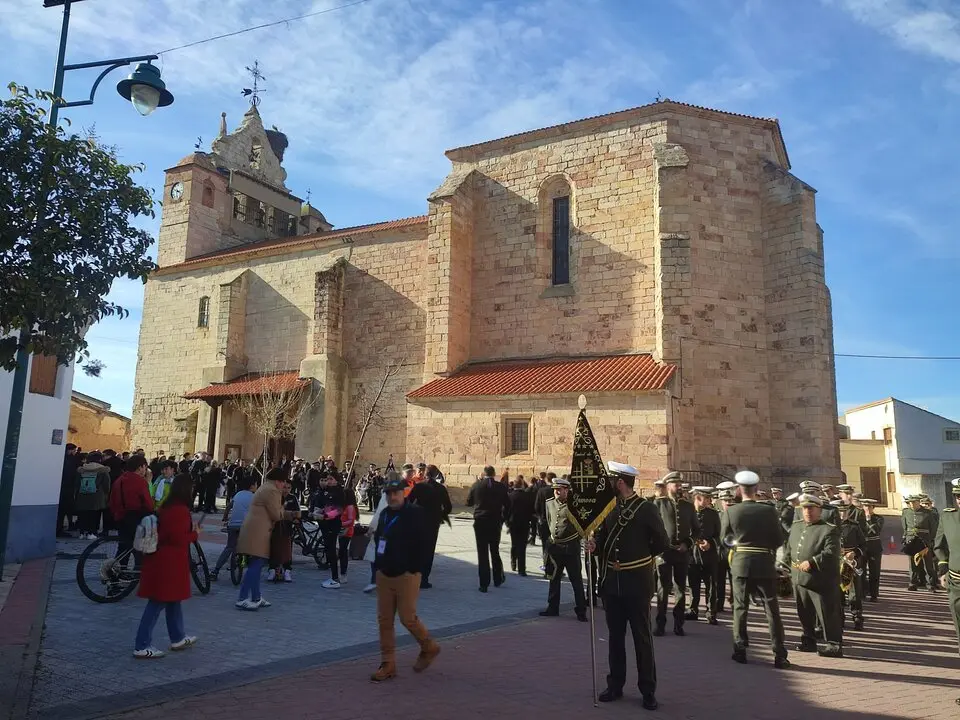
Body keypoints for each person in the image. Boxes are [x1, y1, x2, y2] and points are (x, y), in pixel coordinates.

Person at [588, 461, 668, 709]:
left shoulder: (646, 509)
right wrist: (594, 546)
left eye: (612, 480)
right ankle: (615, 684)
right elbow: (602, 539)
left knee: (642, 638)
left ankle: (648, 690)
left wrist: (639, 559)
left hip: (637, 584)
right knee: (615, 638)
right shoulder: (609, 508)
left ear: (620, 482)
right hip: (613, 584)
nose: (609, 484)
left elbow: (662, 542)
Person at [371, 477, 440, 682]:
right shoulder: (385, 514)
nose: (392, 497)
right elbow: (379, 538)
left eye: (396, 493)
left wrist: (414, 569)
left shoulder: (415, 514)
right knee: (384, 620)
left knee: (407, 618)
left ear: (404, 493)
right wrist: (378, 566)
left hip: (406, 575)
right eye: (389, 494)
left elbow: (425, 543)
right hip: (385, 574)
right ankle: (388, 663)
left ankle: (428, 646)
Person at [720, 470, 789, 669]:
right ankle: (779, 654)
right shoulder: (769, 511)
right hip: (765, 564)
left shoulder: (731, 511)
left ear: (739, 490)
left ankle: (740, 650)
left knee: (740, 608)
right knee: (772, 610)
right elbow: (779, 539)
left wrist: (738, 547)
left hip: (741, 564)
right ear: (756, 488)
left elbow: (725, 539)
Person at [133, 474, 198, 658]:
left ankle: (178, 637)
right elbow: (178, 538)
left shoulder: (167, 506)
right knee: (157, 602)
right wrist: (194, 534)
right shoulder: (180, 510)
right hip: (169, 562)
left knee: (173, 599)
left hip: (163, 559)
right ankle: (141, 645)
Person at [782, 493, 842, 657]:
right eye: (805, 508)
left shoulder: (828, 529)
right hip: (799, 578)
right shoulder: (796, 526)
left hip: (820, 580)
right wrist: (783, 566)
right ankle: (808, 641)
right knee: (804, 612)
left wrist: (813, 562)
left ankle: (834, 644)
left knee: (826, 613)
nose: (808, 512)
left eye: (811, 508)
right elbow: (790, 549)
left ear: (819, 510)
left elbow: (831, 553)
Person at [235, 468, 299, 610]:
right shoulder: (272, 491)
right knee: (255, 565)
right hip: (258, 531)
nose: (284, 485)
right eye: (283, 482)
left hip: (257, 530)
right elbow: (276, 514)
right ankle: (242, 598)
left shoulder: (266, 487)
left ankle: (256, 597)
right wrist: (286, 510)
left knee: (257, 564)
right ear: (278, 481)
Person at [653, 471, 700, 636]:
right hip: (664, 553)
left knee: (680, 588)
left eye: (680, 484)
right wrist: (658, 546)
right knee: (662, 589)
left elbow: (697, 530)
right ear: (667, 486)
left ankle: (679, 624)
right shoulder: (659, 504)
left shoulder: (688, 506)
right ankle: (660, 623)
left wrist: (688, 543)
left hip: (682, 553)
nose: (679, 487)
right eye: (675, 484)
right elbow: (653, 529)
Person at [539, 477, 587, 621]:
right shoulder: (549, 503)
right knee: (554, 578)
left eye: (559, 490)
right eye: (555, 490)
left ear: (566, 490)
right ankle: (552, 607)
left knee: (576, 580)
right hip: (555, 548)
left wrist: (577, 539)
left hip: (570, 548)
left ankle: (581, 610)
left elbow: (582, 526)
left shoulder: (574, 505)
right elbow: (549, 521)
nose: (557, 492)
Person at [933, 478, 960, 707]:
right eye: (958, 496)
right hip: (956, 583)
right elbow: (939, 545)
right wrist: (942, 568)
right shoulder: (948, 516)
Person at [407, 464, 452, 588]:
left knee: (417, 549)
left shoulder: (419, 486)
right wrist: (440, 515)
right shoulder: (441, 489)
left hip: (418, 521)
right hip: (433, 523)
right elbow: (448, 507)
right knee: (428, 550)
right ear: (435, 474)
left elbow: (408, 502)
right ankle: (424, 579)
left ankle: (413, 576)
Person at [466, 465, 511, 592]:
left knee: (482, 552)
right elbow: (508, 504)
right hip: (495, 521)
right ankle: (497, 578)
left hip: (480, 521)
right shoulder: (500, 487)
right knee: (495, 550)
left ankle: (484, 584)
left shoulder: (477, 485)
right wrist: (503, 518)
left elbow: (468, 502)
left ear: (483, 473)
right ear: (494, 474)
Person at [109, 455, 155, 563]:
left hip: (120, 517)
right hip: (136, 519)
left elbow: (112, 501)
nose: (145, 470)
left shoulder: (119, 480)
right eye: (145, 467)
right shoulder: (140, 482)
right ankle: (138, 571)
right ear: (140, 467)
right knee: (139, 551)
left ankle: (118, 569)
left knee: (123, 548)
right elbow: (149, 504)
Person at [686, 486, 721, 625]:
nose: (709, 500)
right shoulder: (687, 512)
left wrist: (710, 543)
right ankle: (693, 610)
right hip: (692, 554)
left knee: (711, 585)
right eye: (706, 498)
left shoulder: (713, 514)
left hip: (709, 555)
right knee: (693, 584)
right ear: (698, 497)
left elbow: (719, 535)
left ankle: (711, 612)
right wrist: (694, 542)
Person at [211, 474, 256, 581]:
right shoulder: (254, 497)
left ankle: (215, 571)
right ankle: (243, 564)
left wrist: (225, 517)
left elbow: (228, 507)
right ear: (252, 486)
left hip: (232, 525)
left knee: (229, 547)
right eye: (255, 484)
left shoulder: (238, 494)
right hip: (246, 527)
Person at [310, 471, 346, 589]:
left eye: (331, 479)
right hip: (325, 524)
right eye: (327, 479)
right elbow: (326, 506)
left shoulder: (339, 492)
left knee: (331, 550)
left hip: (333, 524)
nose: (328, 481)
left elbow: (338, 510)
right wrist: (319, 511)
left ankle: (335, 578)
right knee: (328, 550)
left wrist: (325, 516)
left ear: (336, 480)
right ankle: (334, 577)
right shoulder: (328, 491)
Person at [903, 494, 938, 591]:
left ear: (918, 502)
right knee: (913, 563)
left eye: (914, 502)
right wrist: (906, 537)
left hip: (924, 540)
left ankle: (930, 583)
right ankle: (913, 582)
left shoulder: (927, 513)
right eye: (910, 502)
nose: (912, 504)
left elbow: (933, 528)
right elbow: (905, 526)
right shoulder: (906, 512)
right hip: (911, 539)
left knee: (928, 563)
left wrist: (930, 539)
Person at [75, 451, 112, 540]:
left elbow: (76, 483)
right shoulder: (103, 470)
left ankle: (82, 532)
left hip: (82, 494)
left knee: (83, 514)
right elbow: (106, 485)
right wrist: (106, 494)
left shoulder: (82, 469)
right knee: (94, 514)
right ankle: (91, 533)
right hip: (96, 496)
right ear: (100, 459)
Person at [506, 476, 536, 576]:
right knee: (522, 546)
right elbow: (533, 510)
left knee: (514, 544)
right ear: (522, 485)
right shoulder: (528, 496)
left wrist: (507, 523)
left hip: (513, 523)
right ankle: (521, 569)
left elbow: (506, 511)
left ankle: (513, 563)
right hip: (524, 523)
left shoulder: (510, 496)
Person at [861, 498, 884, 601]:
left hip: (875, 547)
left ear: (873, 507)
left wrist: (868, 519)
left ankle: (874, 594)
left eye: (869, 506)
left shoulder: (879, 518)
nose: (867, 508)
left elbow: (876, 531)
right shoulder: (859, 519)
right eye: (865, 506)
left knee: (874, 572)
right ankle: (863, 592)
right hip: (863, 547)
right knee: (861, 571)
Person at [57, 444, 81, 536]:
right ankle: (59, 529)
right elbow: (70, 474)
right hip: (66, 488)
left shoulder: (64, 459)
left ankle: (59, 528)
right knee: (63, 510)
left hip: (64, 488)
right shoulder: (69, 460)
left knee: (63, 510)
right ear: (69, 450)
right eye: (74, 451)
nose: (75, 453)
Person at [338, 488, 359, 584]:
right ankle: (342, 572)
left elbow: (351, 520)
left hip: (347, 531)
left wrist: (340, 524)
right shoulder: (344, 506)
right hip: (342, 530)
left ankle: (343, 573)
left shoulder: (350, 507)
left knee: (343, 552)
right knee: (341, 551)